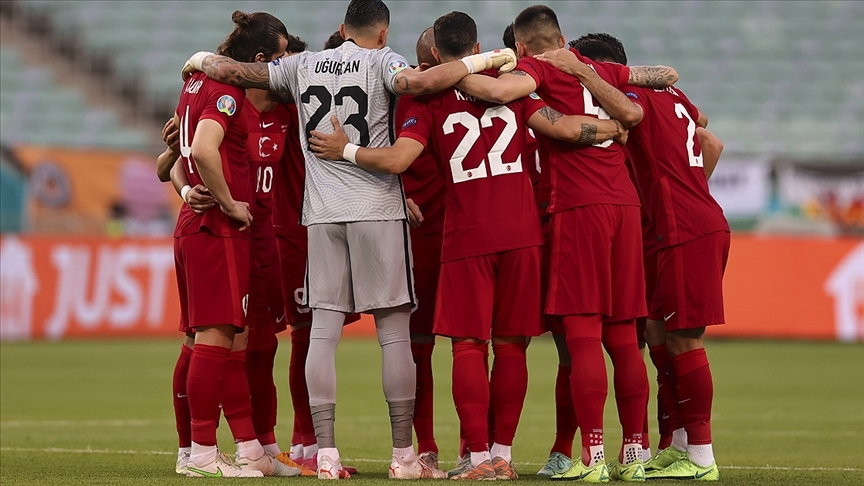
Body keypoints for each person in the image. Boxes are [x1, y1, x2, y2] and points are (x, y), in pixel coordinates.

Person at [180, 0, 517, 479]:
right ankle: (404, 457)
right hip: (377, 210)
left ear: (341, 29)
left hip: (322, 215)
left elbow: (236, 72)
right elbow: (420, 83)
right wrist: (488, 59)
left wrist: (199, 59)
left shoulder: (301, 65)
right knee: (395, 334)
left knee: (322, 334)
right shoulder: (386, 61)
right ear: (383, 34)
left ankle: (326, 454)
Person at [308, 10, 626, 482]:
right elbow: (561, 128)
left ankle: (476, 458)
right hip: (522, 235)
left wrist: (345, 151)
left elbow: (398, 160)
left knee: (468, 349)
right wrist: (613, 129)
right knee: (512, 348)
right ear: (478, 49)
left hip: (467, 235)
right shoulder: (513, 85)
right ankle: (502, 454)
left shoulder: (430, 100)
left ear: (435, 55)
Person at [454, 5, 680, 482]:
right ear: (562, 37)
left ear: (520, 47)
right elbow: (658, 81)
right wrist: (592, 80)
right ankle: (635, 453)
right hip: (625, 207)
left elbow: (503, 94)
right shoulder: (602, 68)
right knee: (623, 339)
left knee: (579, 342)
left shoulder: (534, 70)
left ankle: (592, 456)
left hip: (576, 214)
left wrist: (444, 72)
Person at [568, 33, 727, 482]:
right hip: (677, 226)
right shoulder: (671, 94)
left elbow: (633, 115)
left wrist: (678, 201)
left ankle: (701, 458)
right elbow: (708, 138)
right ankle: (677, 446)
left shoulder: (631, 98)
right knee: (658, 334)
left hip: (685, 230)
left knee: (684, 342)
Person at [155, 10, 296, 478]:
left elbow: (182, 155)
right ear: (258, 60)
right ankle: (198, 452)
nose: (284, 68)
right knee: (213, 342)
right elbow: (202, 150)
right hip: (219, 230)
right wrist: (229, 202)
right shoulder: (228, 95)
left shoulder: (195, 83)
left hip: (213, 231)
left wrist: (187, 184)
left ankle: (249, 449)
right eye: (279, 59)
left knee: (226, 343)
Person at [393, 26, 448, 477]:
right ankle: (432, 447)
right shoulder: (404, 99)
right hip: (425, 235)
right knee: (422, 348)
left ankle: (479, 449)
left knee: (468, 345)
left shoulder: (481, 90)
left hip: (456, 233)